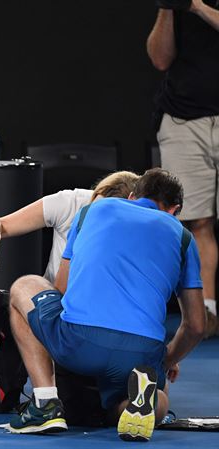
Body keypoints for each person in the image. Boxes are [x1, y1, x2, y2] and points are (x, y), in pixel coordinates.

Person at [4, 168, 205, 441]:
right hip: (140, 354)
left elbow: (61, 288)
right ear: (175, 209)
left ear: (133, 196)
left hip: (78, 346)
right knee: (158, 398)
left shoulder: (91, 211)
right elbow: (195, 325)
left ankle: (45, 403)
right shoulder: (182, 237)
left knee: (24, 286)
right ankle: (137, 404)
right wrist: (166, 359)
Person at [148, 0, 219, 338]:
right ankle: (204, 311)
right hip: (183, 118)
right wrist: (168, 8)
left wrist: (196, 7)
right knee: (193, 221)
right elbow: (160, 58)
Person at [0, 170, 139, 284]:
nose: (96, 218)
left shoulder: (139, 229)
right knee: (25, 286)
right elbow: (0, 223)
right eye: (96, 208)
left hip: (101, 304)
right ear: (95, 194)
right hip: (56, 299)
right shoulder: (70, 202)